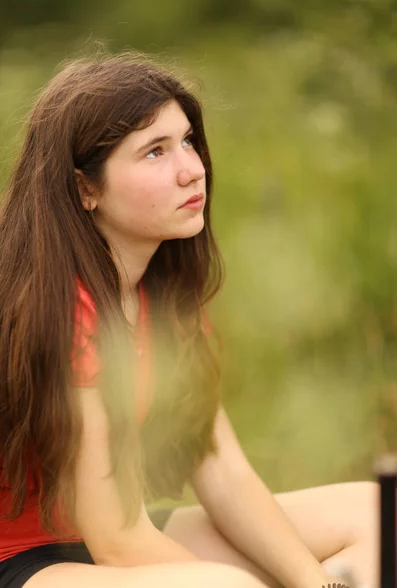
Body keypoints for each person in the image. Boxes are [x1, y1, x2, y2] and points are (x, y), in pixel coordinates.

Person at [0, 52, 377, 588]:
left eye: (187, 141)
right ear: (85, 189)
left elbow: (223, 473)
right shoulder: (62, 309)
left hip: (102, 538)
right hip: (24, 558)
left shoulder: (164, 295)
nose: (192, 168)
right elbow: (117, 544)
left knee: (381, 515)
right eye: (154, 152)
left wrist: (317, 585)